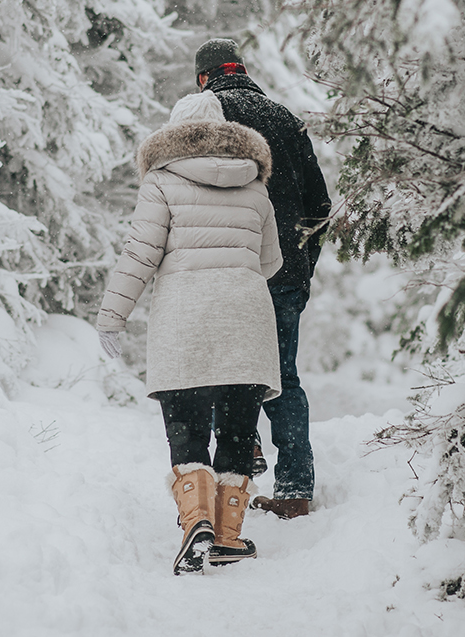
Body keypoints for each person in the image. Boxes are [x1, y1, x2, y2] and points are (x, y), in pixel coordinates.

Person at [95, 91, 283, 575]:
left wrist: (112, 316)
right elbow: (271, 262)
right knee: (239, 429)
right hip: (245, 315)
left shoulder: (161, 180)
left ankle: (195, 521)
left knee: (188, 425)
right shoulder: (256, 185)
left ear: (174, 134)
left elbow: (140, 255)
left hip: (186, 318)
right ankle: (227, 536)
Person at [194, 39, 331, 520]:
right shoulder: (284, 119)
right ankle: (295, 489)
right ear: (245, 70)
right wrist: (301, 266)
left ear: (201, 78)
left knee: (219, 367)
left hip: (227, 266)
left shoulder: (204, 120)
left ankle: (242, 449)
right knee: (283, 377)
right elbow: (320, 206)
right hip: (284, 272)